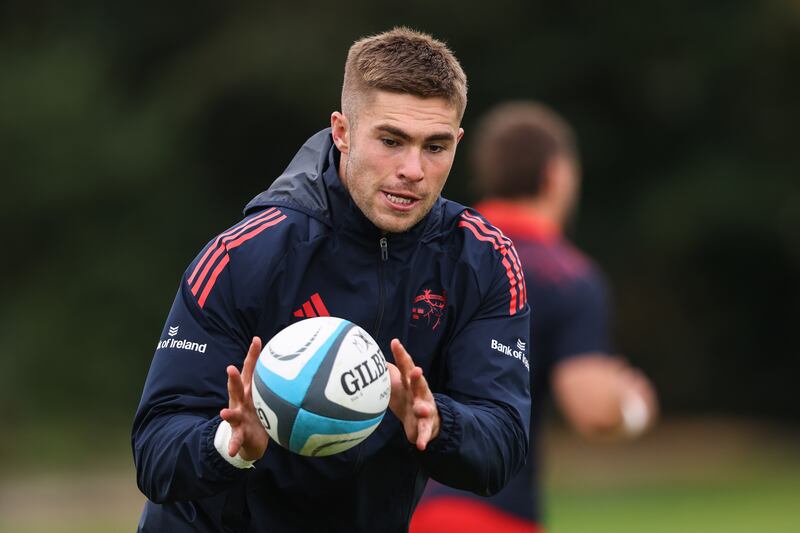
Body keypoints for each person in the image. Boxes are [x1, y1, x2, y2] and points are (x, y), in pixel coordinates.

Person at [132, 28, 532, 533]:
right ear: (341, 131)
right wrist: (227, 444)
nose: (413, 169)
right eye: (390, 141)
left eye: (435, 146)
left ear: (458, 142)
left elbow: (503, 447)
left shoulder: (481, 260)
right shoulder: (245, 256)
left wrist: (438, 421)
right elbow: (155, 450)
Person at [410, 101, 659, 533]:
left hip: (404, 507)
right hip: (495, 511)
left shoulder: (432, 247)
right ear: (556, 175)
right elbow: (591, 408)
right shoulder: (567, 277)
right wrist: (633, 403)